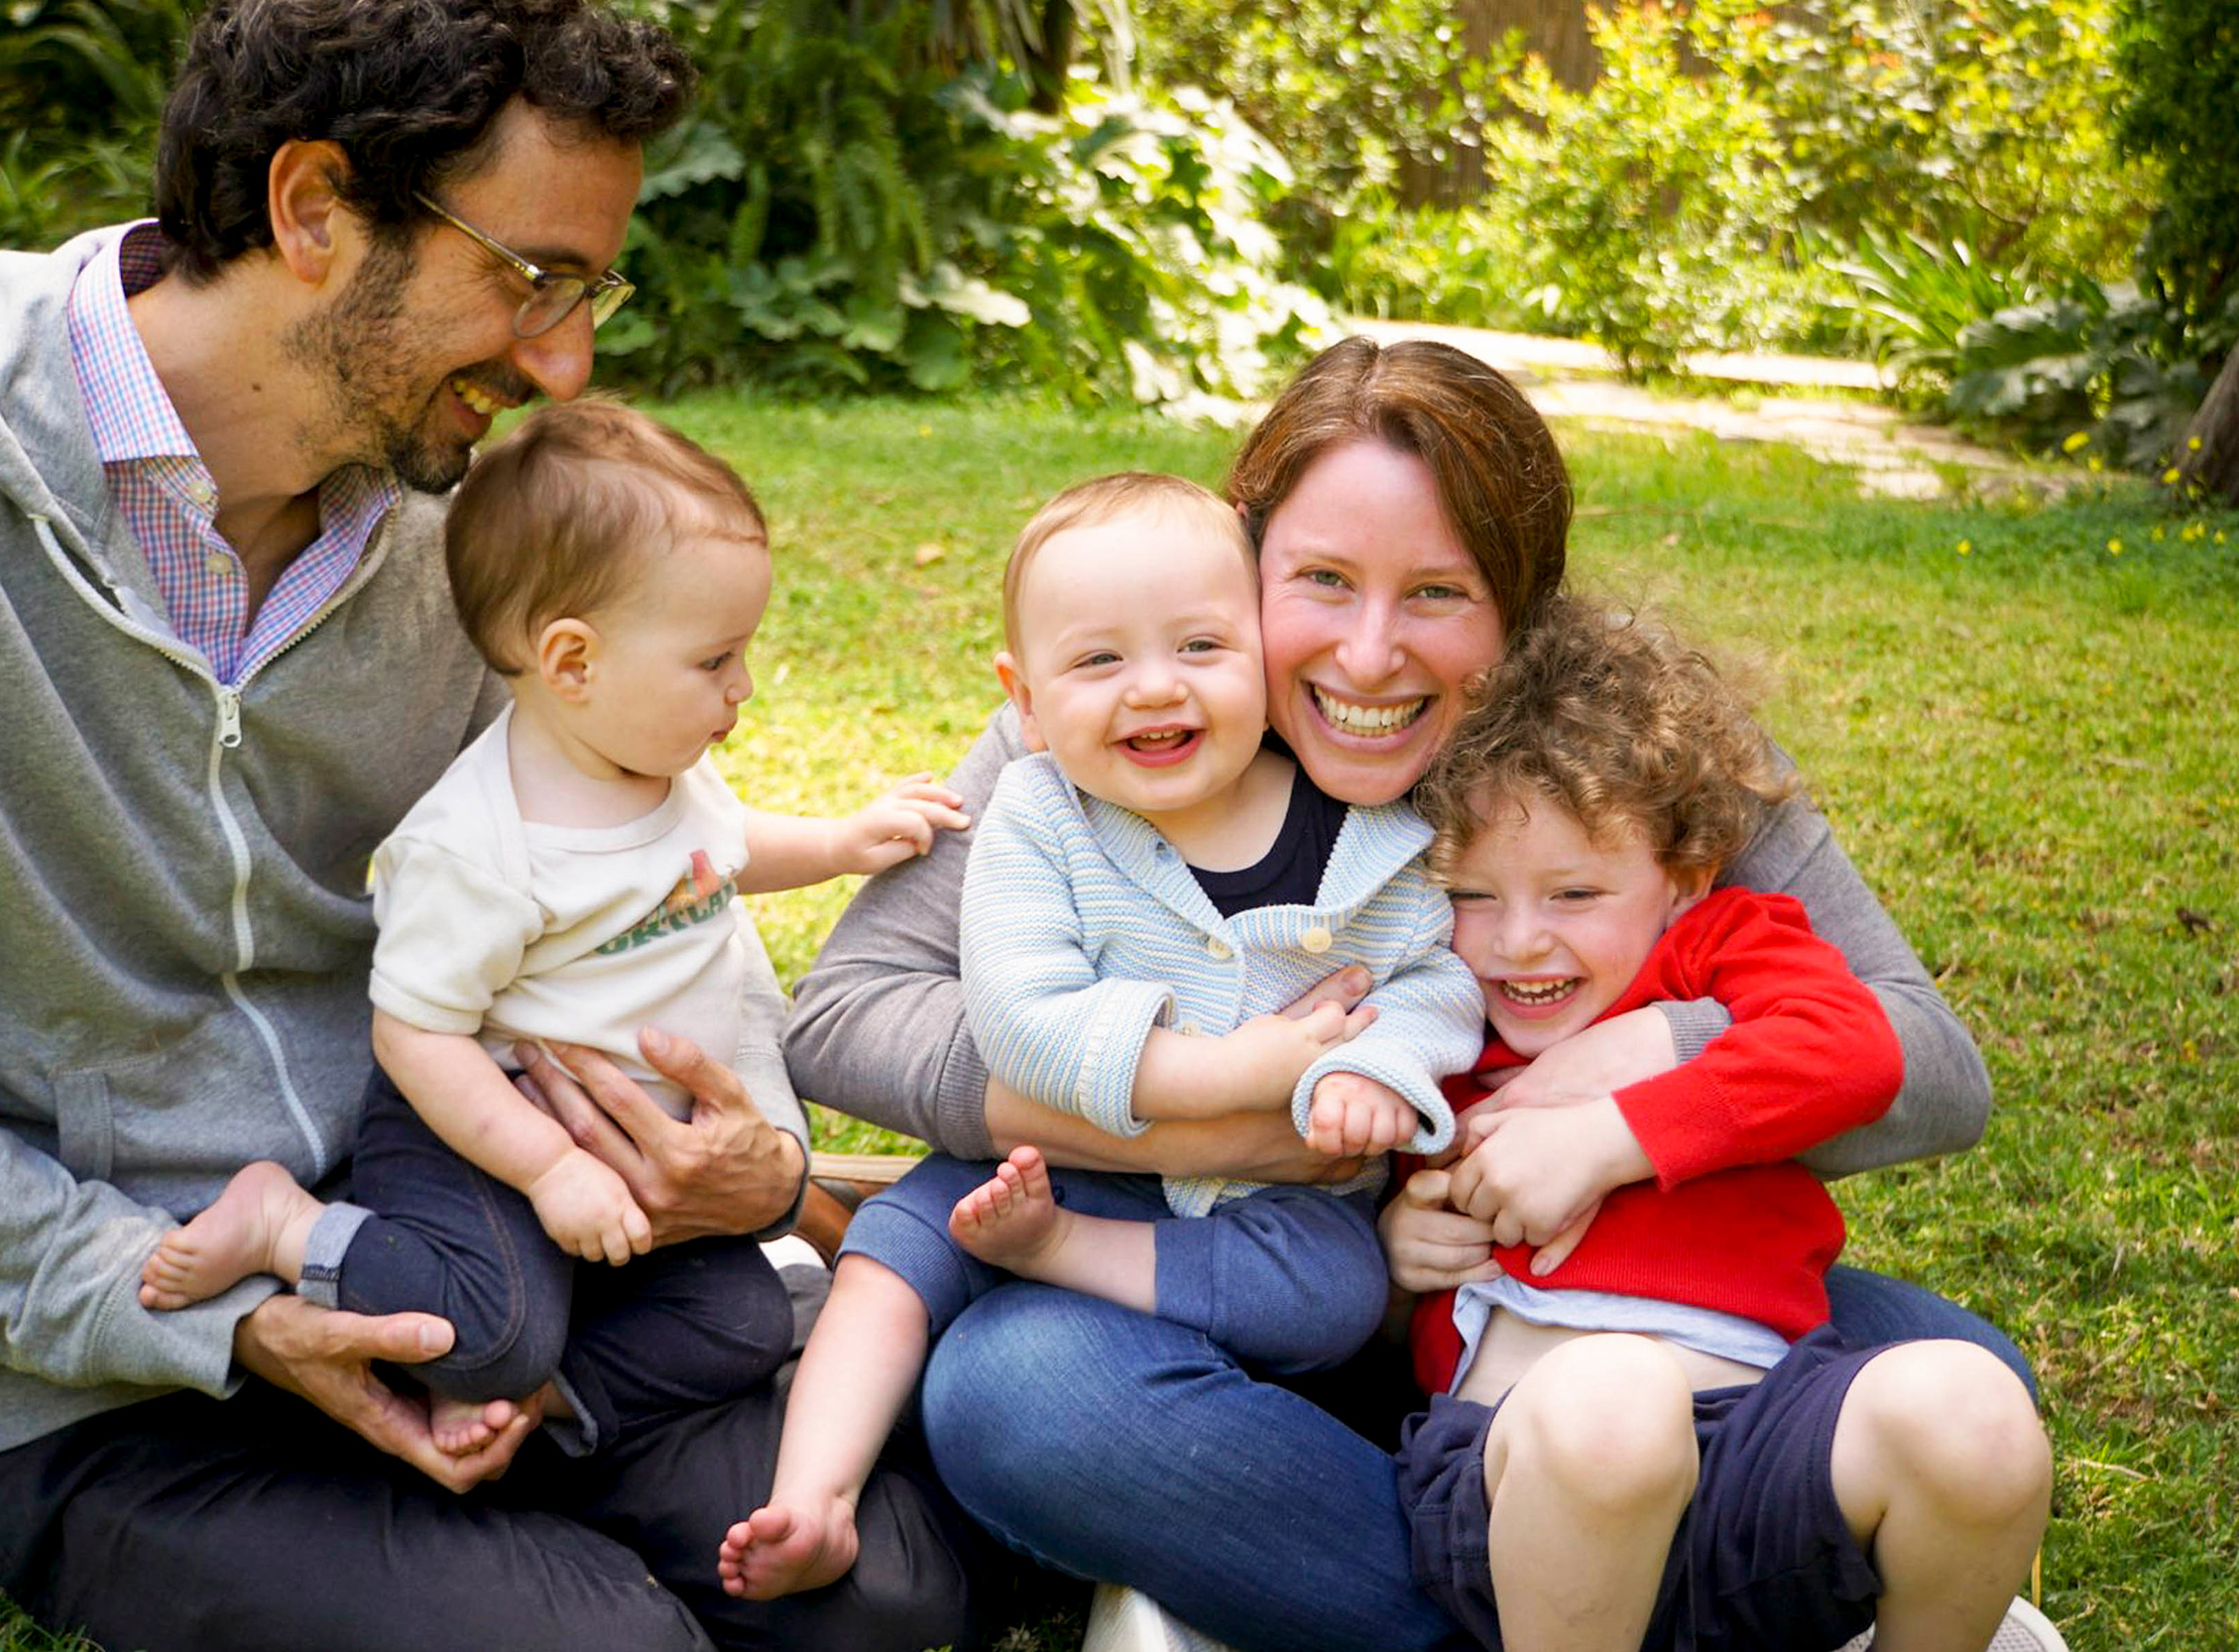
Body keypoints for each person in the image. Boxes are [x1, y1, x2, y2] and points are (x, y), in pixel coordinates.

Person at [0, 5, 1003, 1649]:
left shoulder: (453, 513)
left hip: (484, 1248)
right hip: (130, 1369)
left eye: (587, 294)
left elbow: (597, 883)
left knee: (888, 1597)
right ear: (311, 209)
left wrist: (756, 1168)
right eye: (529, 277)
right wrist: (219, 1323)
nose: (562, 361)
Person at [784, 335, 2040, 1652]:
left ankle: (1556, 1572)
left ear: (1522, 604)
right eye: (1321, 581)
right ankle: (1602, 1594)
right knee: (1018, 1389)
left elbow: (1929, 1064)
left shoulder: (1614, 743)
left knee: (1969, 1387)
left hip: (1572, 1303)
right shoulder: (1136, 710)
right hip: (1246, 1296)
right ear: (1245, 559)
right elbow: (848, 1008)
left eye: (1438, 592)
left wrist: (1641, 1061)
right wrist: (1208, 1115)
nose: (1370, 657)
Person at [137, 400, 968, 1458]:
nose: (742, 687)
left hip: (618, 1154)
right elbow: (415, 1037)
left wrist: (843, 841)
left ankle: (544, 1410)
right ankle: (288, 1227)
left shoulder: (660, 772)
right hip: (480, 1136)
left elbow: (719, 852)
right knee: (490, 1330)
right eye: (715, 659)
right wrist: (545, 1168)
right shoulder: (479, 848)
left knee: (746, 1319)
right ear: (571, 662)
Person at [718, 472, 1482, 1599]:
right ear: (1023, 700)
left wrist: (1376, 1065)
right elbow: (1018, 1016)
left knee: (1330, 1289)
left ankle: (1071, 1281)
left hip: (1269, 1215)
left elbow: (1429, 977)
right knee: (895, 1251)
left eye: (1199, 648)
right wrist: (1228, 1082)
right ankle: (813, 1493)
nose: (1154, 689)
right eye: (1098, 662)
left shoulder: (1367, 832)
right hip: (1041, 1161)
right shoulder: (1040, 813)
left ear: (1265, 657)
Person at [1391, 598, 2050, 1651]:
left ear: (1682, 882)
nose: (1518, 942)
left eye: (1573, 890)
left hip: (1762, 1451)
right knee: (1617, 1398)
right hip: (1525, 1468)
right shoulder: (1430, 992)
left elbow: (1859, 1048)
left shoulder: (1724, 945)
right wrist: (1397, 1243)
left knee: (1970, 1407)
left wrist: (1613, 1133)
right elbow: (1355, 1152)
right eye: (1471, 892)